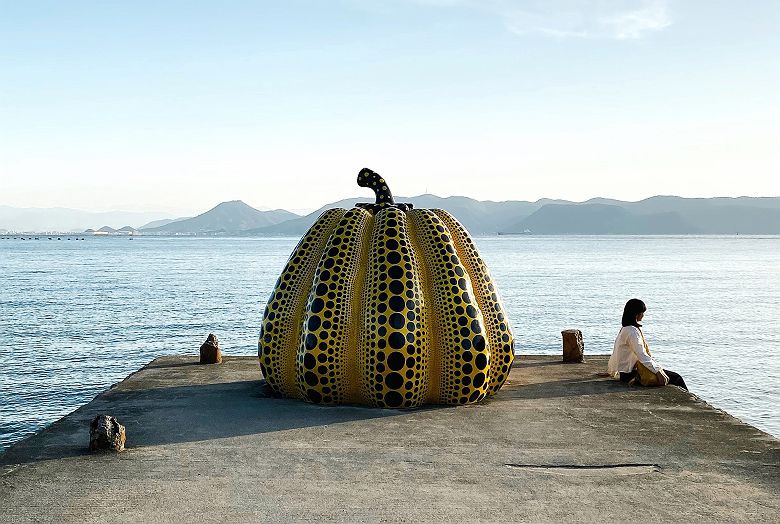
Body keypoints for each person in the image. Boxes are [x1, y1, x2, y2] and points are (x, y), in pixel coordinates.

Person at [608, 298, 688, 390]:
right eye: (642, 312)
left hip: (624, 375)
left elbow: (616, 352)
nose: (643, 315)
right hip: (632, 375)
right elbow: (642, 354)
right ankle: (690, 404)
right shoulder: (632, 331)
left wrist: (611, 371)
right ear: (636, 314)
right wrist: (657, 371)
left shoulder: (624, 329)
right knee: (677, 378)